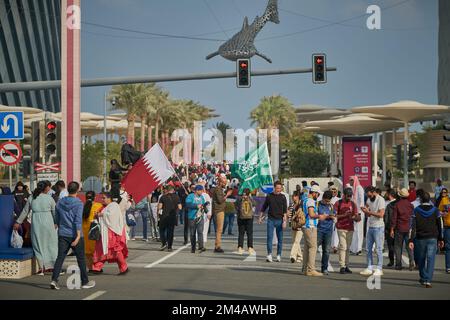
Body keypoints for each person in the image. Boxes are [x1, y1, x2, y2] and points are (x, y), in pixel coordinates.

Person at [50, 182, 96, 290]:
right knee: (81, 259)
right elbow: (77, 221)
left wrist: (57, 225)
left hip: (63, 234)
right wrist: (78, 236)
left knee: (60, 258)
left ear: (68, 189)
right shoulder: (79, 203)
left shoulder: (60, 202)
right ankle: (84, 282)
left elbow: (56, 218)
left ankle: (54, 280)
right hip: (75, 234)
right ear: (78, 190)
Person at [14, 181, 58, 275]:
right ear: (46, 188)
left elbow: (25, 211)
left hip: (37, 222)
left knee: (37, 244)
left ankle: (41, 268)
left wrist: (18, 222)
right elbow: (55, 212)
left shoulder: (32, 197)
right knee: (51, 244)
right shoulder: (49, 198)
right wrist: (56, 222)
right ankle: (54, 266)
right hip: (48, 222)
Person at [409, 192, 445, 288]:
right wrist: (441, 239)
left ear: (420, 200)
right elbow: (440, 225)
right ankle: (428, 280)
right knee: (431, 259)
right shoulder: (435, 210)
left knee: (421, 259)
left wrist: (411, 240)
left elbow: (412, 226)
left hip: (420, 238)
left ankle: (423, 277)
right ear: (429, 200)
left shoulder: (416, 210)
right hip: (433, 238)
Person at [92, 192, 129, 275]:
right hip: (105, 233)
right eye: (102, 198)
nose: (102, 199)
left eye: (104, 198)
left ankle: (123, 267)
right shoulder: (105, 207)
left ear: (109, 198)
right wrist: (98, 215)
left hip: (113, 233)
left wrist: (101, 214)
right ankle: (97, 267)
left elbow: (111, 216)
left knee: (115, 251)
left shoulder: (114, 205)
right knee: (102, 250)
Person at [259, 181, 288, 263]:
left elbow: (285, 210)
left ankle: (278, 255)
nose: (279, 190)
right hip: (271, 219)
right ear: (274, 188)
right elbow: (264, 207)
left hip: (280, 220)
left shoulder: (283, 197)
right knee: (269, 238)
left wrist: (285, 221)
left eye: (280, 188)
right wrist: (260, 217)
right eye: (277, 188)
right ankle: (269, 254)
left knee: (280, 239)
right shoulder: (269, 196)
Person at [360, 186, 385, 277]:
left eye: (369, 195)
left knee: (378, 249)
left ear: (374, 192)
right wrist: (364, 210)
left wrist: (369, 212)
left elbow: (381, 214)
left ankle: (379, 268)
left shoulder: (380, 200)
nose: (368, 197)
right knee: (368, 249)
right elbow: (368, 212)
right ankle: (369, 267)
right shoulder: (369, 200)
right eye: (367, 195)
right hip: (371, 226)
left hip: (378, 227)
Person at [335, 188, 359, 274]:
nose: (349, 197)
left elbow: (357, 218)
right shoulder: (338, 203)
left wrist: (355, 217)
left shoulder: (353, 204)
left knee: (348, 248)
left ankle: (346, 266)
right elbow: (334, 215)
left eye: (350, 196)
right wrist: (344, 215)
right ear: (344, 195)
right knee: (343, 247)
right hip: (341, 227)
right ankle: (342, 266)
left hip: (350, 228)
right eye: (348, 196)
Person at [391, 188, 415, 271]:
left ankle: (398, 264)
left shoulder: (397, 205)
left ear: (400, 196)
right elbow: (413, 217)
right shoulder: (410, 205)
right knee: (409, 246)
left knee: (398, 247)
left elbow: (394, 218)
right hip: (408, 228)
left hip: (399, 228)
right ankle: (411, 262)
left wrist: (392, 229)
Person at [301, 185, 322, 276]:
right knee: (313, 248)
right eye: (317, 194)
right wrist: (320, 216)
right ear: (314, 193)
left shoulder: (305, 199)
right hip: (310, 226)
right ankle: (311, 269)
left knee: (307, 248)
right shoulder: (311, 201)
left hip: (306, 226)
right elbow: (311, 214)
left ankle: (305, 268)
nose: (318, 196)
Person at [82, 191, 103, 272]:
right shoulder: (99, 206)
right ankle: (96, 267)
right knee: (96, 251)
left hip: (85, 232)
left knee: (87, 253)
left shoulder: (83, 206)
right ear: (94, 197)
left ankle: (90, 268)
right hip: (94, 232)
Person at [212, 176, 233, 253]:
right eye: (224, 183)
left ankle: (217, 245)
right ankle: (217, 246)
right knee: (219, 230)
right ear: (221, 182)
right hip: (218, 211)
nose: (225, 184)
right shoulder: (217, 189)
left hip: (220, 210)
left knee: (219, 230)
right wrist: (227, 194)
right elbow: (220, 200)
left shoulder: (219, 189)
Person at [317, 190, 336, 275]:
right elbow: (315, 215)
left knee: (327, 250)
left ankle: (324, 268)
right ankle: (309, 267)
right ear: (323, 198)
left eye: (329, 201)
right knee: (313, 249)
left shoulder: (331, 206)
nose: (327, 202)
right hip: (319, 230)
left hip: (328, 230)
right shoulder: (317, 204)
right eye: (326, 201)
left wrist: (332, 217)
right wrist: (324, 216)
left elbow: (334, 215)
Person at [158, 185, 181, 252]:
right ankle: (169, 247)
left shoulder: (163, 197)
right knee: (170, 232)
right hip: (172, 217)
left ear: (167, 190)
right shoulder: (177, 197)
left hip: (164, 217)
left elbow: (159, 207)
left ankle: (164, 243)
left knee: (162, 230)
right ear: (172, 190)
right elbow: (180, 207)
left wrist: (158, 215)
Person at [185, 185, 206, 253]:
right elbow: (187, 204)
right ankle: (193, 247)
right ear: (197, 190)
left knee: (200, 232)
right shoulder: (190, 196)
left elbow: (203, 205)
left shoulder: (202, 197)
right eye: (200, 190)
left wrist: (205, 208)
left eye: (202, 190)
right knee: (192, 233)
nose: (202, 192)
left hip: (200, 217)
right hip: (192, 217)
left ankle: (201, 246)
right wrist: (196, 206)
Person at [235, 188, 256, 255]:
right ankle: (250, 247)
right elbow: (255, 204)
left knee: (241, 233)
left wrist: (238, 213)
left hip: (241, 218)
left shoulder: (239, 199)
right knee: (249, 233)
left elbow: (236, 206)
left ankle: (240, 247)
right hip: (249, 218)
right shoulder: (250, 199)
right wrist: (250, 197)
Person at [349, 176, 365, 255]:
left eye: (351, 180)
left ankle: (358, 248)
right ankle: (353, 248)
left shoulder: (359, 188)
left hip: (359, 213)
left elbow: (361, 201)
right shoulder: (352, 189)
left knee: (359, 231)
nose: (350, 181)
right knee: (354, 230)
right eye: (350, 180)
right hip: (354, 212)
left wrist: (358, 212)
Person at [384, 189, 398, 268]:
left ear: (390, 195)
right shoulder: (399, 203)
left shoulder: (389, 205)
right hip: (399, 227)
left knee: (390, 245)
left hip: (389, 227)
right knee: (398, 246)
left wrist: (386, 227)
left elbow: (386, 217)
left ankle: (391, 261)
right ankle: (398, 262)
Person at [289, 191, 303, 264]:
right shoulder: (292, 204)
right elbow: (290, 214)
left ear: (297, 196)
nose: (293, 197)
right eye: (292, 196)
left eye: (294, 196)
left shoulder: (301, 204)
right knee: (296, 241)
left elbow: (301, 214)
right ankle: (300, 256)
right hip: (294, 225)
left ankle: (293, 256)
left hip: (300, 225)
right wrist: (289, 223)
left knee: (296, 241)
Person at [330, 186, 341, 253]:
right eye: (332, 191)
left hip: (336, 217)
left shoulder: (339, 199)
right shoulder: (327, 199)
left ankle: (335, 246)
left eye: (335, 191)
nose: (333, 192)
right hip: (329, 218)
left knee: (336, 233)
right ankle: (331, 245)